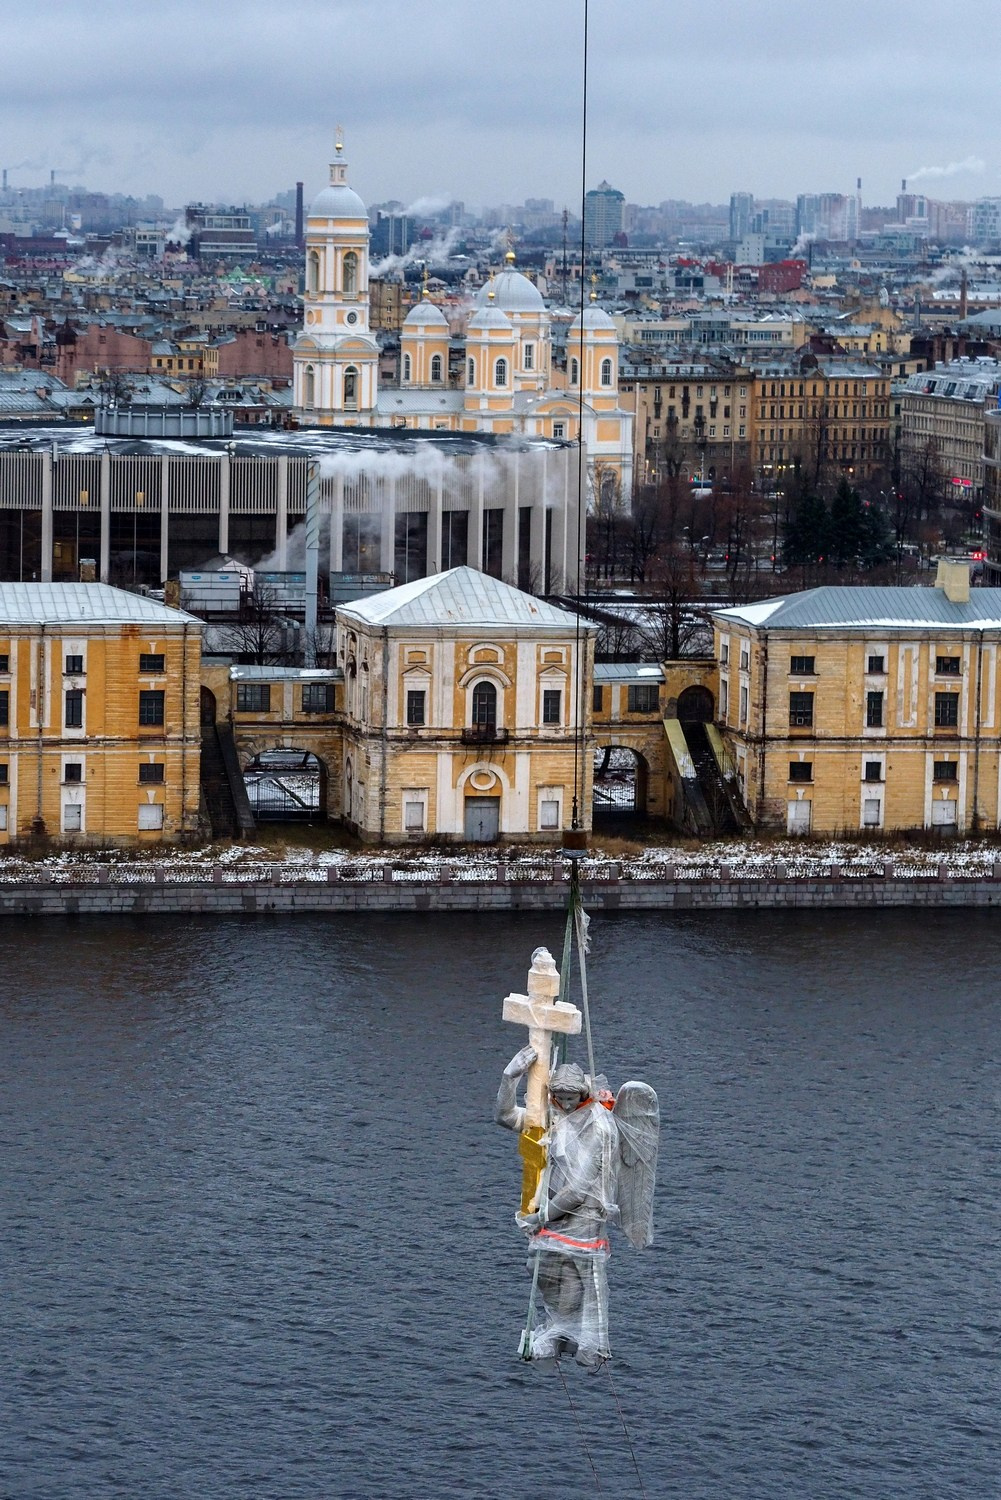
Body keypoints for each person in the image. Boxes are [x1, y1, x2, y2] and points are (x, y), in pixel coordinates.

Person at [496, 1047, 620, 1367]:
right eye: (559, 1098)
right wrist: (510, 1077)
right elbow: (506, 1116)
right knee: (541, 1268)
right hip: (552, 1214)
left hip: (582, 1215)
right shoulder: (551, 1119)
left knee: (582, 1273)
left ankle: (593, 1343)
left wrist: (540, 1216)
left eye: (571, 1099)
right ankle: (559, 1329)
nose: (565, 1105)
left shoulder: (598, 1126)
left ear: (583, 1095)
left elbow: (578, 1189)